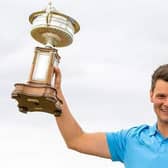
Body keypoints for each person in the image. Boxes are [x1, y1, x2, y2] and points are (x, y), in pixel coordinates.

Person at [54, 64, 168, 168]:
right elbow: (76, 139)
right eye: (161, 96)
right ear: (151, 95)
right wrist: (56, 92)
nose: (166, 103)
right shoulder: (131, 139)